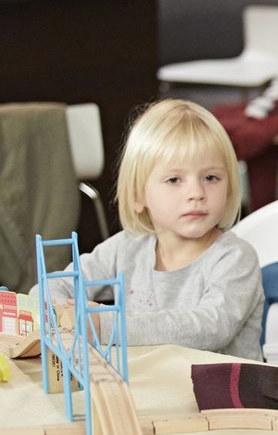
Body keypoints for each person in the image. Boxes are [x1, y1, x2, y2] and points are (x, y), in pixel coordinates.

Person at [35, 99, 263, 361]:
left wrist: (105, 324)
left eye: (210, 178)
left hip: (226, 398)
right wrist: (58, 309)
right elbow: (51, 286)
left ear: (229, 187)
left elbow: (211, 328)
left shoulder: (235, 258)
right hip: (153, 388)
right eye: (174, 180)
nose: (196, 193)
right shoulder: (127, 247)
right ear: (137, 195)